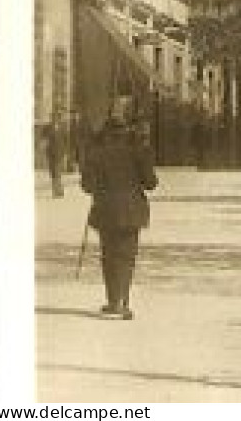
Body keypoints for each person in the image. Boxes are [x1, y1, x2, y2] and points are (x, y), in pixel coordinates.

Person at [80, 102, 159, 320]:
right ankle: (123, 300)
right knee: (127, 255)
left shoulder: (96, 153)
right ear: (126, 131)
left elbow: (87, 186)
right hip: (132, 211)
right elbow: (151, 183)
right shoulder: (138, 150)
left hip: (106, 209)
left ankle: (113, 299)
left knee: (109, 254)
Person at [42, 121, 66, 198]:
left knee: (58, 172)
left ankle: (59, 190)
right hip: (51, 154)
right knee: (53, 172)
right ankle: (56, 190)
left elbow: (65, 141)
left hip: (59, 154)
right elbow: (44, 141)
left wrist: (64, 153)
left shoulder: (62, 127)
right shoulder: (47, 128)